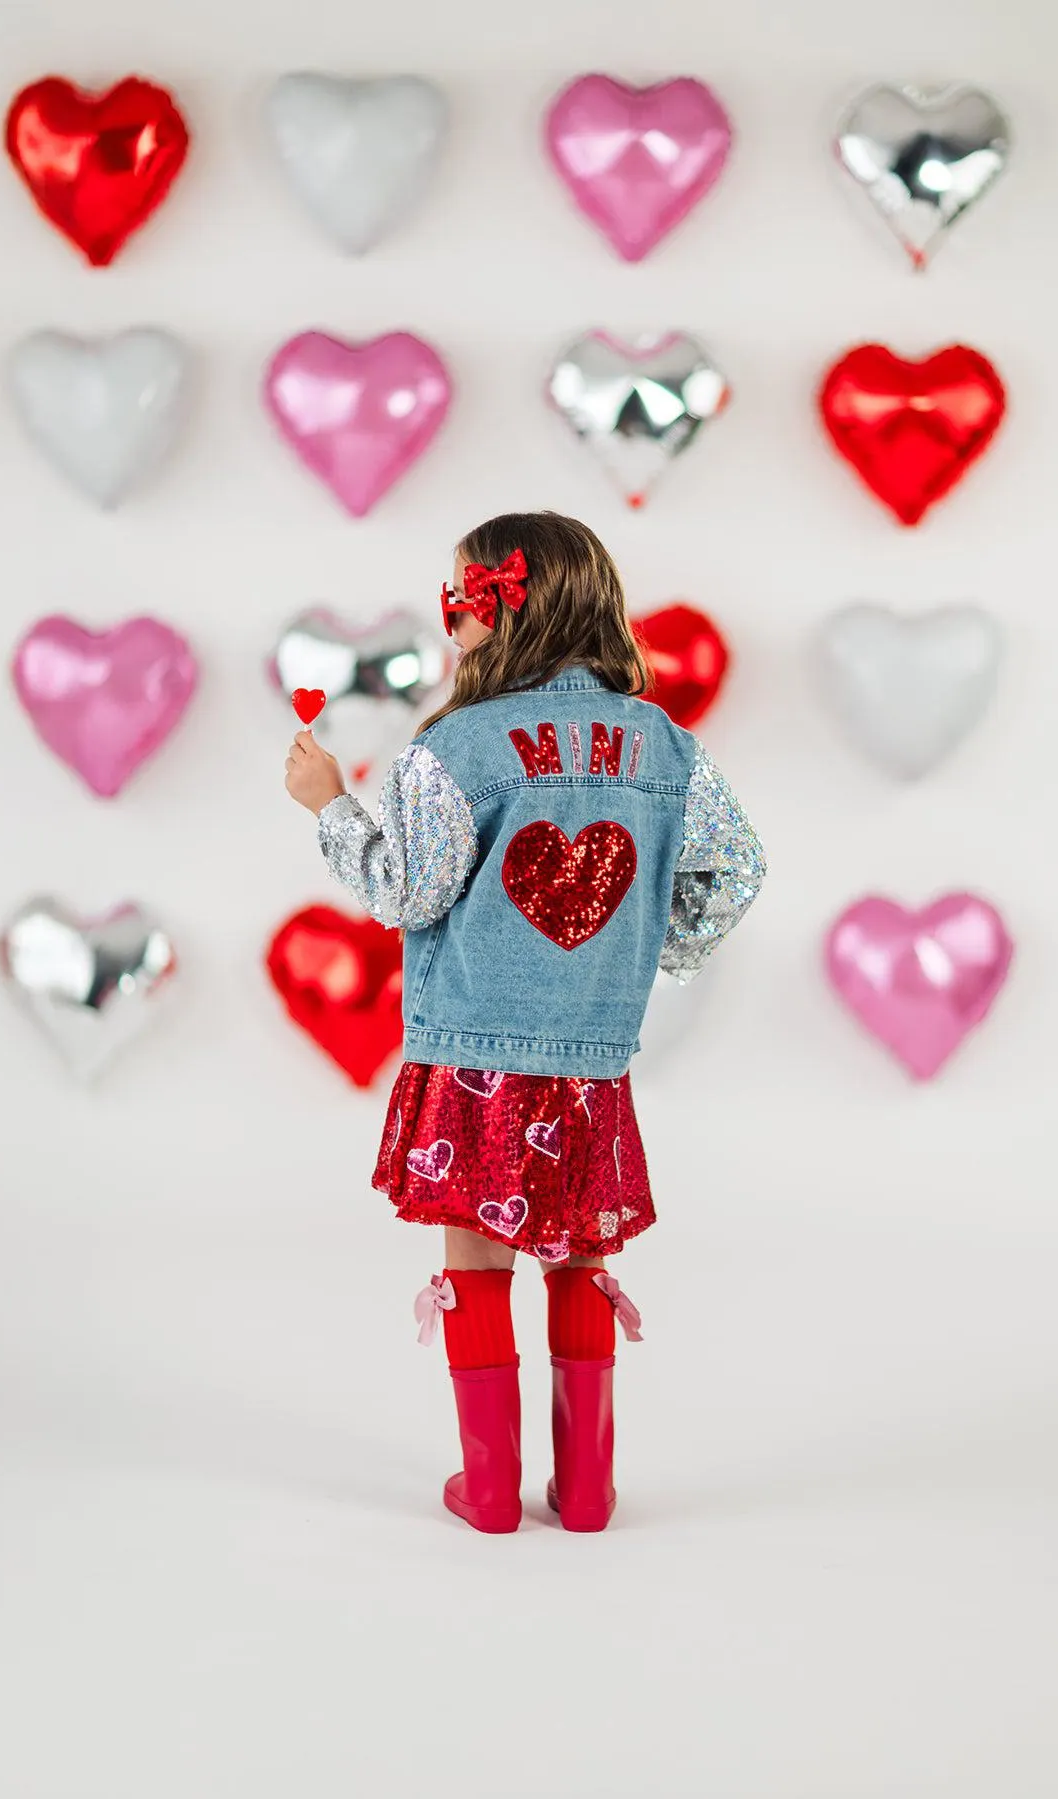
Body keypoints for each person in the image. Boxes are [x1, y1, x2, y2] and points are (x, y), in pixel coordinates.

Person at [284, 511, 764, 1534]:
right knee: (579, 1255)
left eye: (459, 595)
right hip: (591, 1062)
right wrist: (645, 948)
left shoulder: (453, 745)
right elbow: (738, 871)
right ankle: (587, 1489)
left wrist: (331, 803)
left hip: (471, 1056)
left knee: (478, 1263)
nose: (450, 615)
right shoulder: (664, 743)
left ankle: (491, 1489)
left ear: (504, 608)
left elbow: (407, 892)